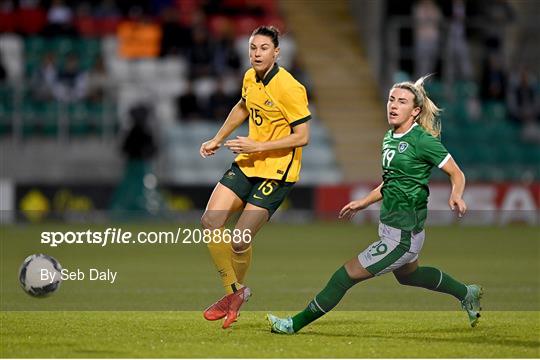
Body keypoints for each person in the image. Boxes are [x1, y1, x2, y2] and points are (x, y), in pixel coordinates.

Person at [267, 75, 483, 334]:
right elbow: (389, 182)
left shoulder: (423, 141)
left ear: (415, 111)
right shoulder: (389, 138)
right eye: (391, 99)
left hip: (402, 235)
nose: (393, 105)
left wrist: (456, 195)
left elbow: (456, 173)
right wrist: (363, 202)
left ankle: (294, 324)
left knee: (343, 276)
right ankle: (466, 293)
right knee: (410, 277)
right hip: (393, 228)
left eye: (402, 102)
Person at [199, 25, 311, 329]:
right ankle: (235, 293)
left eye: (263, 48)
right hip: (249, 162)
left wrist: (259, 145)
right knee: (210, 221)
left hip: (277, 170)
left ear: (276, 52)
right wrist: (218, 138)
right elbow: (243, 106)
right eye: (252, 48)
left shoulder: (289, 87)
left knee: (239, 241)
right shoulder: (250, 77)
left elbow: (302, 136)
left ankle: (234, 295)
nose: (257, 53)